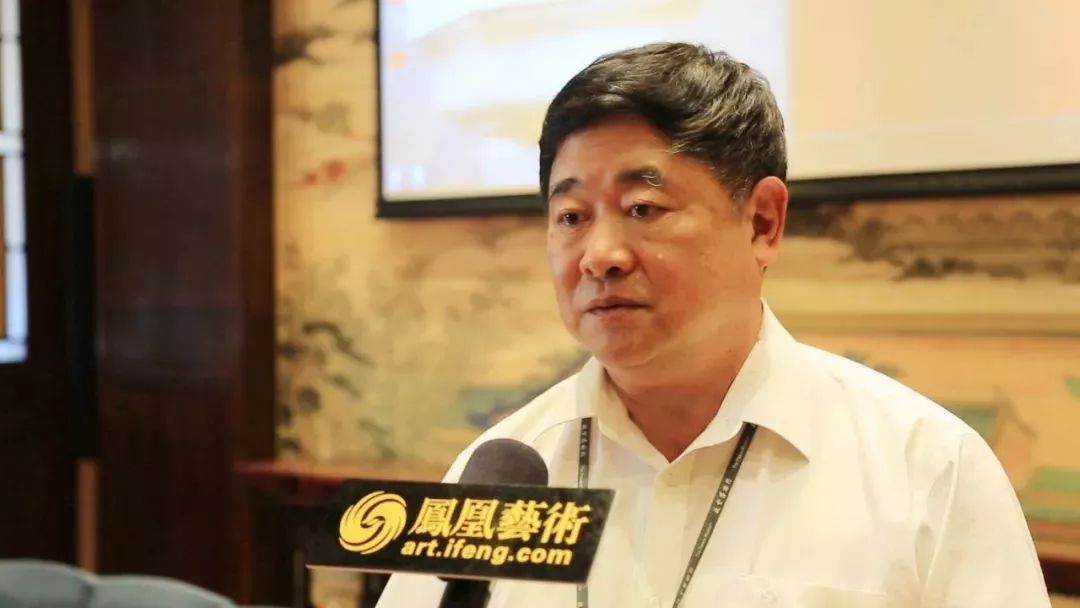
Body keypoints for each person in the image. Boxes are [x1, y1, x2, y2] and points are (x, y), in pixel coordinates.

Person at [375, 42, 1050, 607]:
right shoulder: (497, 476)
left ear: (762, 223)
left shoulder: (927, 469)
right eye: (572, 217)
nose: (600, 256)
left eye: (643, 209)